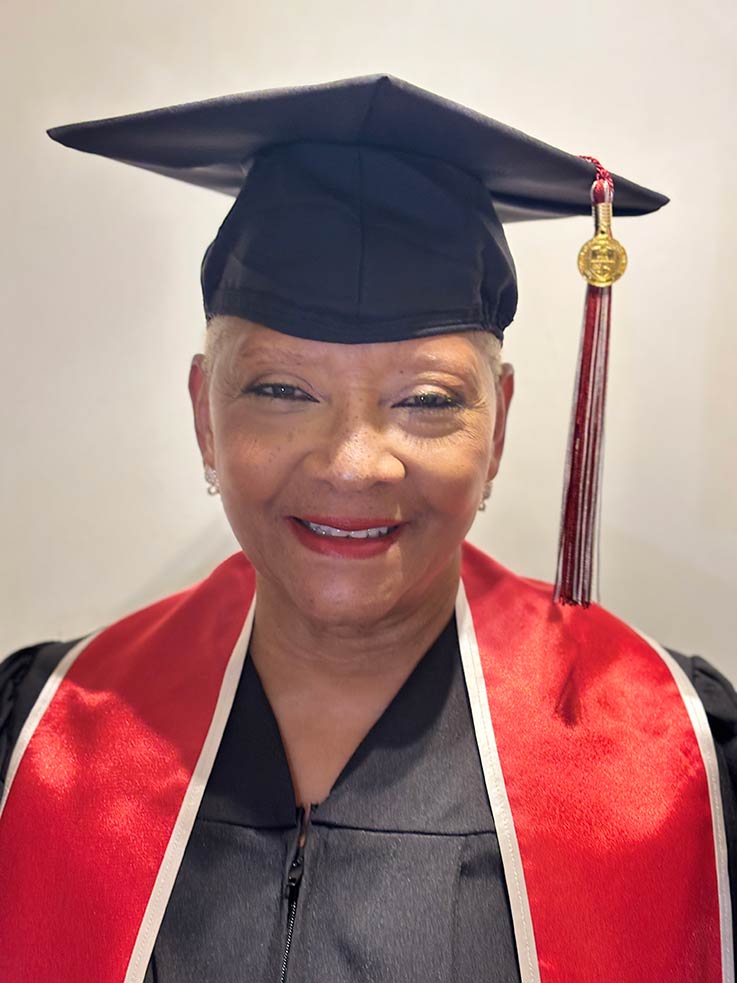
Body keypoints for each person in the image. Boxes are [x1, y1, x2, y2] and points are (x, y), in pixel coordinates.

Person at [0, 76, 734, 983]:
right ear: (205, 415)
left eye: (425, 401)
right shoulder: (43, 736)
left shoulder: (675, 760)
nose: (353, 464)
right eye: (281, 390)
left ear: (497, 426)